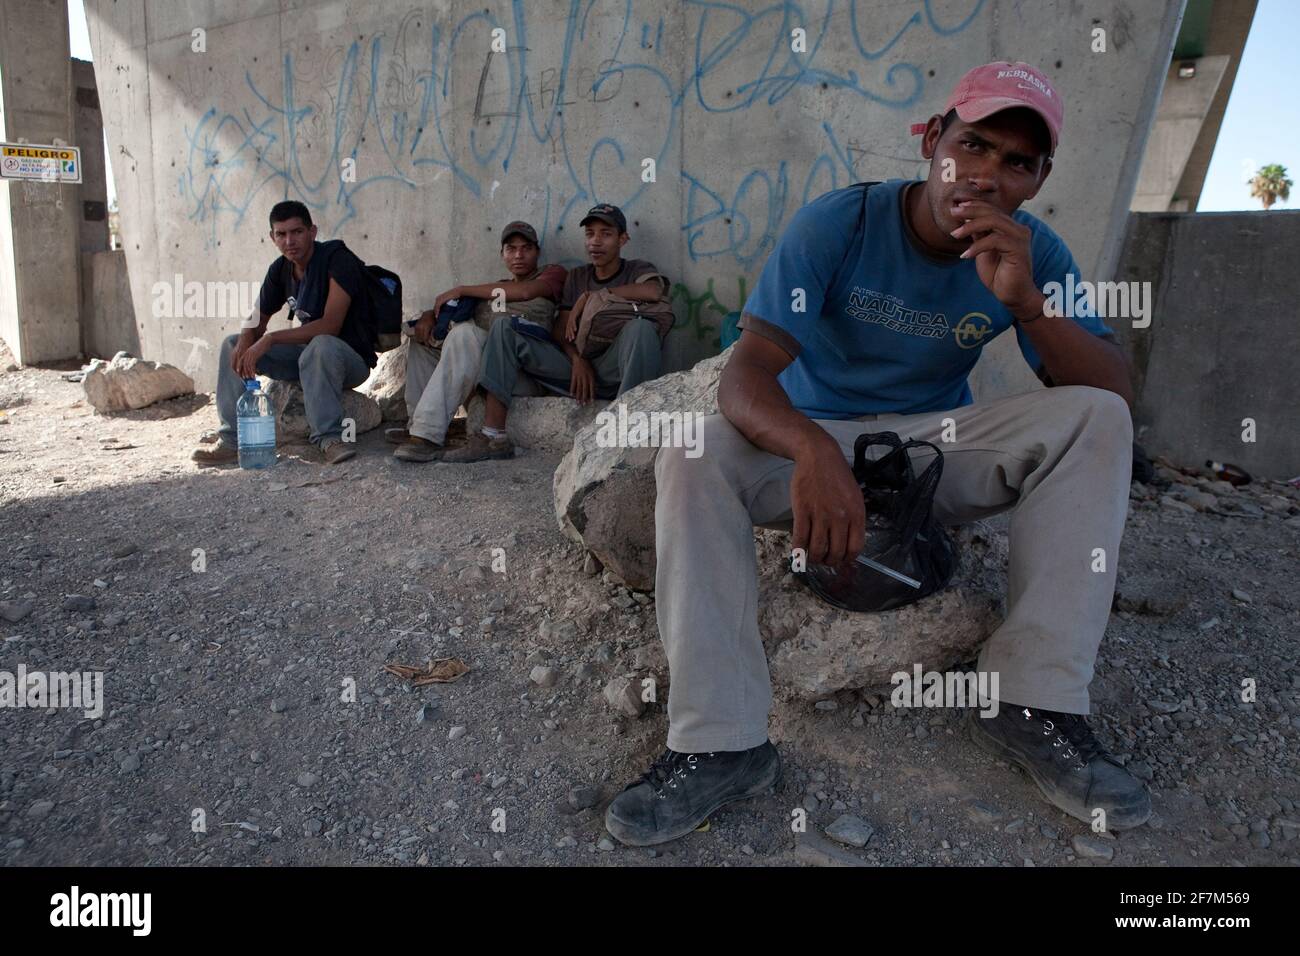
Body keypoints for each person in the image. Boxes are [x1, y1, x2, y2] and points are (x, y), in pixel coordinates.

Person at [605, 62, 1150, 847]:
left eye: (1017, 163)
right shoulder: (842, 225)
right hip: (814, 437)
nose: (988, 176)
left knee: (1095, 420)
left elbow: (1111, 391)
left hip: (933, 451)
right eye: (974, 146)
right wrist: (812, 449)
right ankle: (721, 743)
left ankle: (1032, 704)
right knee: (691, 448)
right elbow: (746, 376)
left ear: (1038, 180)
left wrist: (1027, 304)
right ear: (933, 143)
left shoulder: (1037, 256)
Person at [440, 204, 669, 464]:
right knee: (504, 326)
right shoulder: (577, 276)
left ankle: (627, 437)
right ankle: (493, 437)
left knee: (641, 328)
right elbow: (560, 330)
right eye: (590, 234)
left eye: (605, 234)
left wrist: (595, 297)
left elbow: (653, 292)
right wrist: (577, 360)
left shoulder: (636, 269)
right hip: (573, 372)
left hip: (614, 369)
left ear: (622, 239)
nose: (596, 241)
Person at [192, 200, 377, 466]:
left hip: (348, 361)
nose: (290, 241)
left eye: (297, 232)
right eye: (281, 234)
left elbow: (330, 326)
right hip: (306, 360)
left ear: (312, 232)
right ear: (272, 237)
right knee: (231, 343)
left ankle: (329, 439)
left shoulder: (337, 259)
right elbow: (256, 318)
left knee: (322, 344)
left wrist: (269, 339)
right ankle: (233, 441)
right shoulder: (280, 269)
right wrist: (246, 340)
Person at [391, 221, 566, 462]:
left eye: (526, 248)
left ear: (537, 252)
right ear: (502, 254)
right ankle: (417, 427)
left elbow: (525, 292)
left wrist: (462, 289)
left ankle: (426, 436)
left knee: (465, 335)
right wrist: (429, 315)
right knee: (425, 341)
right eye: (511, 249)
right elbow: (456, 313)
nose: (518, 255)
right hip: (487, 368)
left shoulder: (552, 275)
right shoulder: (494, 287)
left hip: (521, 373)